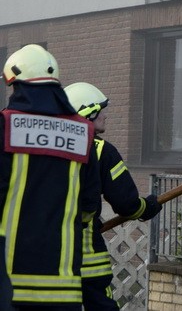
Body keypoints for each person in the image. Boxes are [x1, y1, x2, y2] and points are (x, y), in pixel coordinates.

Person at [0, 44, 101, 309]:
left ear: (17, 85)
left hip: (8, 283)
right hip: (62, 287)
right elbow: (90, 206)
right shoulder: (83, 133)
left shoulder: (6, 125)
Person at [63, 81, 161, 310]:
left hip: (47, 252)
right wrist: (146, 207)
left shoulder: (51, 145)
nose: (106, 116)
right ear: (88, 112)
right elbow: (125, 202)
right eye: (101, 110)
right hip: (86, 254)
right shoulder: (100, 150)